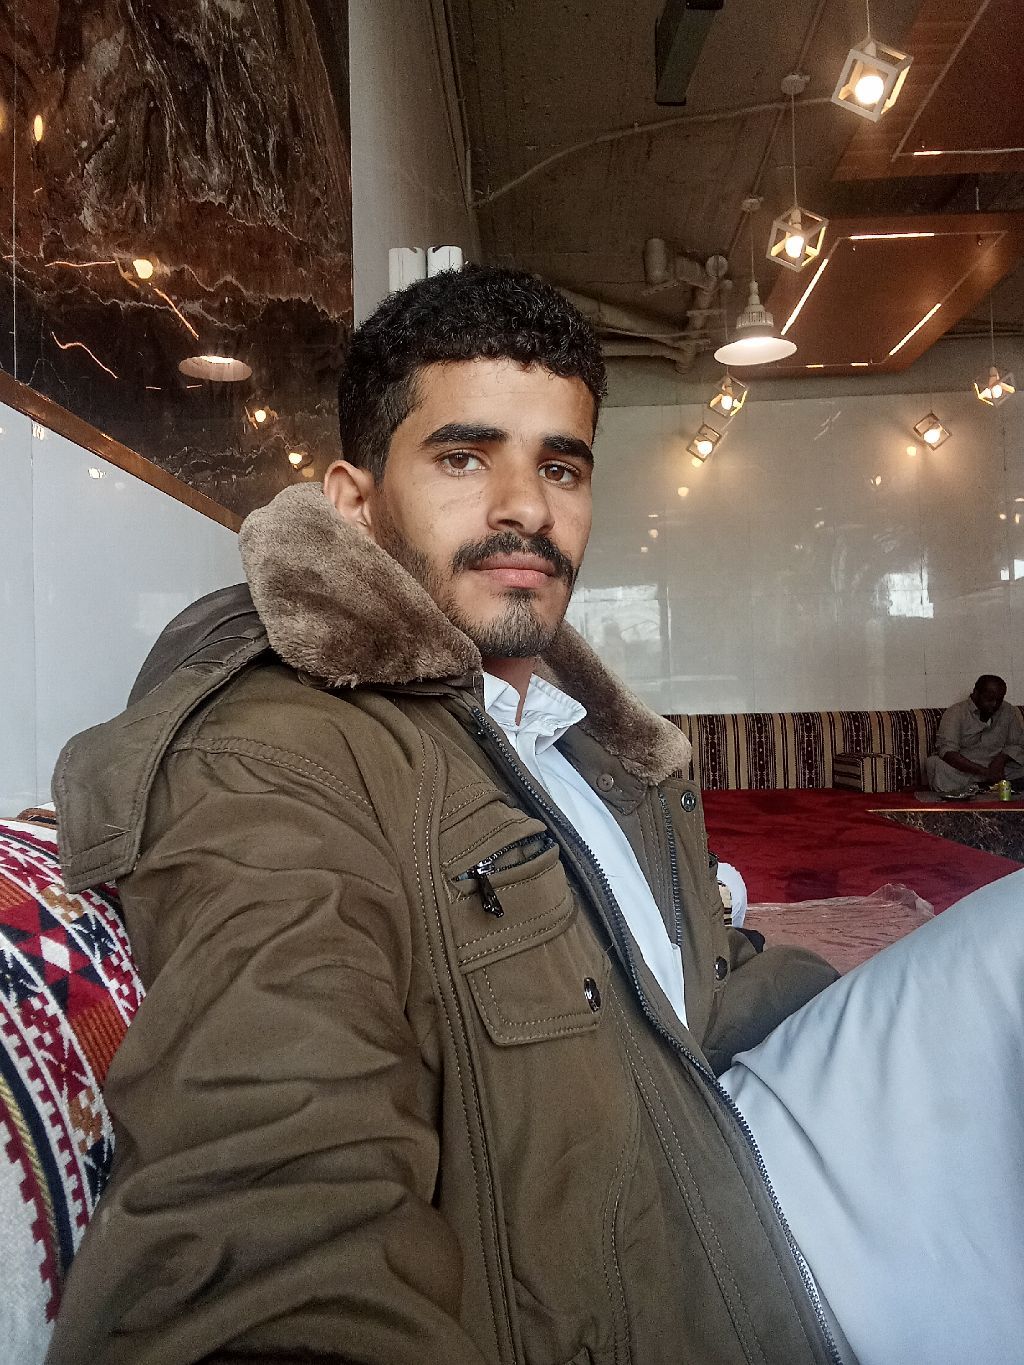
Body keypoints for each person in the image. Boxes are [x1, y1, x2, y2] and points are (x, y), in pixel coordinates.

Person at [47, 266, 1024, 1365]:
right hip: (727, 1278)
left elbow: (689, 986)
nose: (526, 506)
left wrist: (850, 992)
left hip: (742, 1131)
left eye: (560, 465)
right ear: (355, 502)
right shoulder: (286, 752)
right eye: (463, 457)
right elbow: (268, 1205)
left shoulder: (578, 738)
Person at [926, 674, 1024, 797]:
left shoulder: (1008, 711)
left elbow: (1016, 744)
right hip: (965, 770)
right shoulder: (956, 712)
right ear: (976, 693)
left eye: (999, 700)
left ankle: (981, 787)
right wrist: (985, 772)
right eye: (989, 699)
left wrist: (999, 761)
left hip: (998, 768)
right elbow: (948, 752)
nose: (994, 704)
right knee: (935, 765)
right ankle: (985, 786)